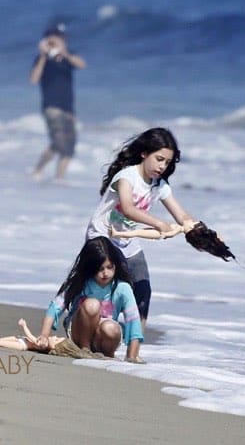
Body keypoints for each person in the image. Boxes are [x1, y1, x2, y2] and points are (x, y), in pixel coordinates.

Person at [86, 127, 196, 335]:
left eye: (167, 162)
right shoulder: (126, 177)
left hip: (128, 242)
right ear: (145, 153)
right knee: (109, 291)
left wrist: (204, 232)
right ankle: (94, 334)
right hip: (102, 238)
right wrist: (158, 223)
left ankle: (134, 346)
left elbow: (182, 217)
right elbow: (128, 208)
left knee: (143, 289)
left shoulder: (159, 185)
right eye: (159, 159)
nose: (162, 166)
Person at [0, 237, 143, 362]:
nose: (105, 273)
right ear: (90, 268)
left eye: (109, 267)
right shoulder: (82, 284)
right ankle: (83, 348)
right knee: (92, 304)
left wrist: (132, 356)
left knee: (112, 328)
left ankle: (107, 355)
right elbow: (55, 307)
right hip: (79, 330)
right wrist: (44, 335)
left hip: (102, 336)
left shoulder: (122, 289)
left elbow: (133, 321)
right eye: (100, 269)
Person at [29, 22, 86, 181]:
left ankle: (57, 178)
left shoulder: (68, 57)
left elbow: (81, 64)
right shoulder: (43, 59)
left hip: (68, 108)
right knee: (60, 144)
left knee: (68, 147)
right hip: (52, 107)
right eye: (55, 38)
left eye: (61, 37)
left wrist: (64, 52)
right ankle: (42, 171)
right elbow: (34, 79)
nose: (59, 40)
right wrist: (42, 55)